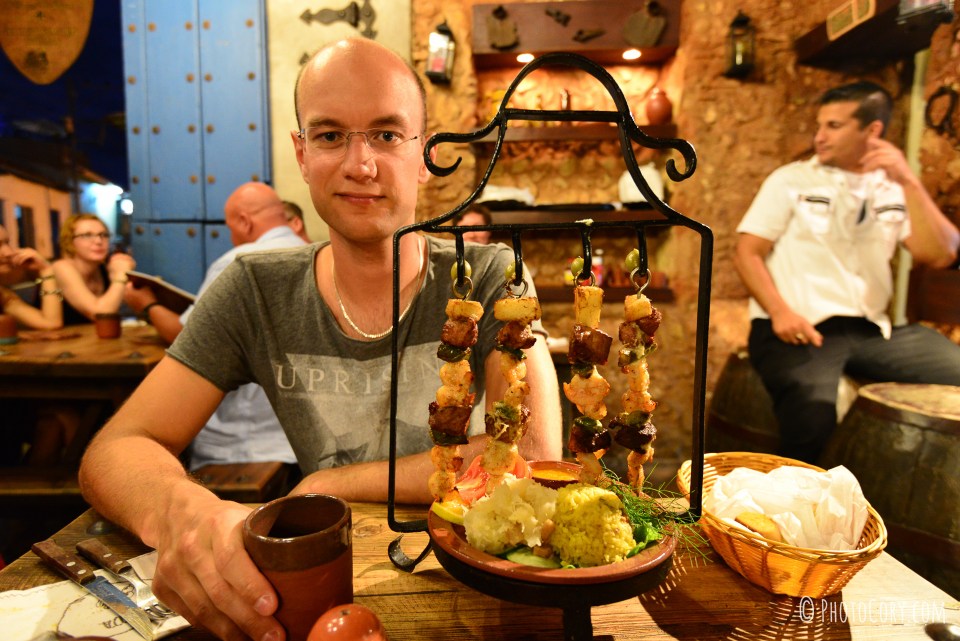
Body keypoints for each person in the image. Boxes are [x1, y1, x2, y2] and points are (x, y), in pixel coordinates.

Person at [79, 37, 562, 641]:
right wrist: (184, 509)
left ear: (425, 154)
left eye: (387, 135)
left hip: (471, 586)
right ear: (301, 154)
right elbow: (116, 448)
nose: (360, 165)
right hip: (322, 592)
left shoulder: (490, 276)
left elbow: (533, 457)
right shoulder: (254, 288)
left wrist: (327, 483)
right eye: (331, 135)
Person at [734, 80, 960, 464]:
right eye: (820, 125)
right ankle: (800, 514)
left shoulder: (893, 189)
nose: (819, 136)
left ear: (872, 131)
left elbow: (942, 253)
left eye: (834, 126)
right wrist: (779, 312)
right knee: (812, 416)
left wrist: (908, 180)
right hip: (799, 328)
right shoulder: (791, 180)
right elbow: (746, 253)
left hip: (872, 331)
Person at [123, 182, 304, 471]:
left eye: (230, 228)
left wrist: (146, 304)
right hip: (298, 438)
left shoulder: (239, 262)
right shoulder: (315, 255)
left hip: (245, 442)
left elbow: (187, 340)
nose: (232, 238)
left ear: (244, 222)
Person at [52, 213, 136, 324]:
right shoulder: (62, 267)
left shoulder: (104, 267)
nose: (98, 241)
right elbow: (100, 314)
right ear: (69, 241)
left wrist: (127, 276)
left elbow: (135, 309)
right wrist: (120, 275)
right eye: (87, 235)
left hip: (92, 338)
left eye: (103, 235)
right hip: (57, 339)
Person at [0, 224, 63, 330]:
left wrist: (46, 270)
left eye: (7, 243)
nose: (9, 252)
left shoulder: (2, 295)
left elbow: (51, 323)